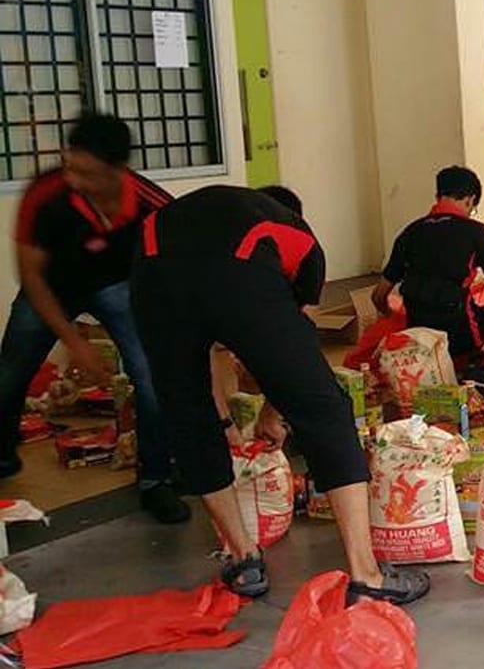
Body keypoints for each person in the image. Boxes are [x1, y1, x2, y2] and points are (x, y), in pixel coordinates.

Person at [131, 185, 429, 604]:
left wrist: (224, 420)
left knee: (187, 417)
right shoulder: (302, 241)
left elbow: (210, 349)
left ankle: (243, 559)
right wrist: (279, 408)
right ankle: (367, 576)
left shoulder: (205, 214)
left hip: (152, 277)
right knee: (325, 408)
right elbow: (294, 353)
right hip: (234, 275)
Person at [0, 113, 188, 523]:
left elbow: (180, 255)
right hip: (50, 287)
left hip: (116, 285)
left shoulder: (145, 201)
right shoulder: (45, 195)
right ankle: (2, 452)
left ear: (116, 169)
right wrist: (76, 343)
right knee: (11, 373)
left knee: (152, 377)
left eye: (86, 172)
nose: (73, 180)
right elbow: (31, 275)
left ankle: (157, 479)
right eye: (70, 166)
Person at [371, 167, 484, 355]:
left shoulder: (409, 233)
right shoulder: (477, 232)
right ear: (470, 199)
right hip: (462, 334)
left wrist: (393, 316)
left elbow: (378, 296)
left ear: (438, 196)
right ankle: (481, 357)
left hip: (419, 334)